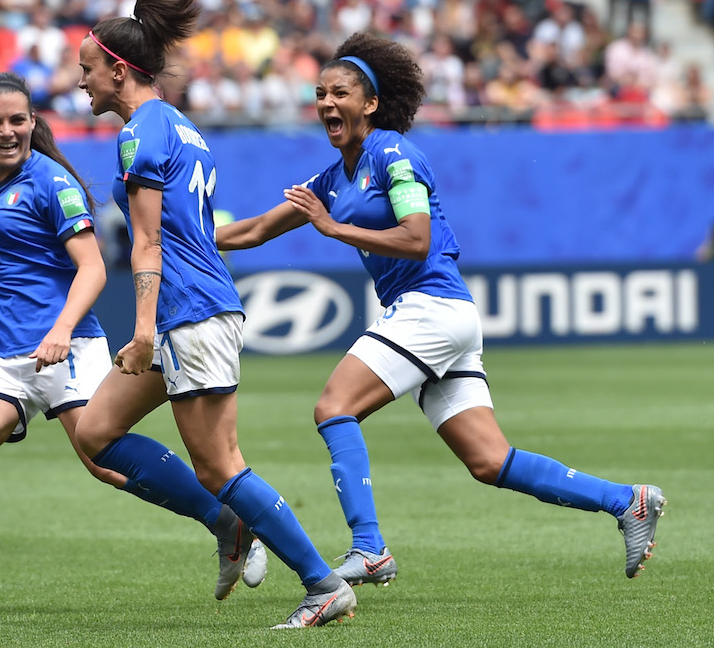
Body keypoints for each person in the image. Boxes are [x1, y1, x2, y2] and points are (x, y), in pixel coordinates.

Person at [216, 31, 666, 588]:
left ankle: (369, 547)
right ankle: (629, 500)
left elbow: (417, 239)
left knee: (334, 408)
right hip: (437, 315)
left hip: (430, 306)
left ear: (371, 103)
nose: (327, 103)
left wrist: (334, 229)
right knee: (489, 461)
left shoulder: (395, 154)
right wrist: (183, 236)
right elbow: (257, 229)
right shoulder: (332, 179)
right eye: (319, 93)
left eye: (339, 93)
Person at [0, 72, 265, 625]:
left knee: (105, 465)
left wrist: (62, 329)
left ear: (32, 123)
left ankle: (227, 521)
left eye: (17, 120)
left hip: (70, 347)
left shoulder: (51, 183)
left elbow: (91, 267)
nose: (7, 131)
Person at [74, 0, 357, 629]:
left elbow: (148, 242)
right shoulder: (181, 126)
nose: (79, 79)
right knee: (95, 433)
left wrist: (144, 327)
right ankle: (231, 524)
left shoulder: (138, 133)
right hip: (193, 306)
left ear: (119, 70)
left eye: (87, 67)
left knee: (219, 462)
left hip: (188, 311)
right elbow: (190, 228)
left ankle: (322, 584)